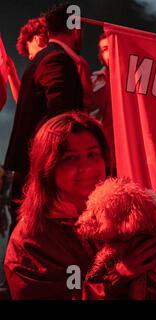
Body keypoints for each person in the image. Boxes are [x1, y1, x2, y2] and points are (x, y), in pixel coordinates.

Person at [3, 112, 156, 299]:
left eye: (93, 154)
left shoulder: (129, 213)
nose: (87, 167)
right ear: (47, 167)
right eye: (70, 158)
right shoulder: (30, 242)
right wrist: (119, 275)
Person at [3, 4, 84, 226]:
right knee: (34, 232)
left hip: (31, 167)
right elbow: (63, 116)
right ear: (75, 31)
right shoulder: (55, 60)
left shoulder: (47, 60)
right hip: (40, 169)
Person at [91, 33, 114, 159]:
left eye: (112, 47)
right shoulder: (93, 82)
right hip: (103, 150)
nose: (110, 53)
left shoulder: (136, 80)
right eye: (105, 49)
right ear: (100, 55)